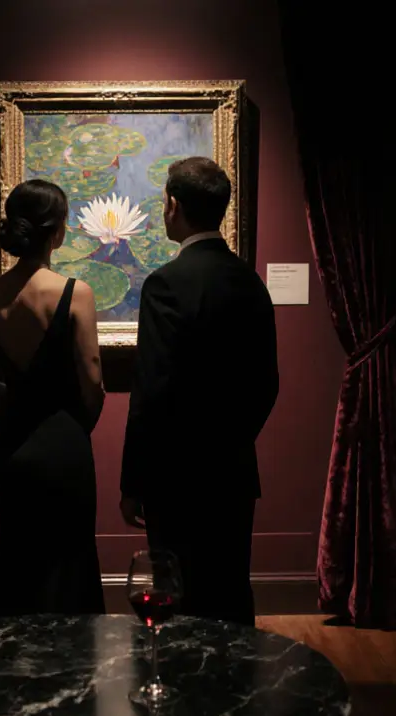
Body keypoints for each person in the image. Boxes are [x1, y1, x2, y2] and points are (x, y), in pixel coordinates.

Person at [119, 157, 279, 627]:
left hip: (175, 477)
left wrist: (134, 483)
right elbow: (266, 383)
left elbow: (150, 390)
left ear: (173, 205)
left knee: (180, 600)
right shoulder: (250, 282)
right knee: (229, 591)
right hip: (232, 470)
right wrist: (232, 439)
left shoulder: (165, 284)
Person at [0, 178, 107, 618]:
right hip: (64, 446)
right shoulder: (75, 292)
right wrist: (71, 421)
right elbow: (93, 382)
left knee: (13, 560)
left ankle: (10, 671)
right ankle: (74, 673)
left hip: (9, 446)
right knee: (70, 564)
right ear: (58, 232)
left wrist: (23, 405)